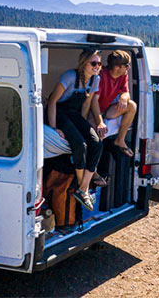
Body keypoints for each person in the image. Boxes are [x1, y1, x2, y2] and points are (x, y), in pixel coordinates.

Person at [47, 50, 107, 211]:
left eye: (99, 64)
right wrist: (54, 128)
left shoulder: (96, 79)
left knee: (96, 143)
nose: (97, 67)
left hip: (73, 114)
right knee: (80, 145)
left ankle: (83, 188)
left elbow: (86, 105)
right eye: (93, 63)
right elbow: (52, 101)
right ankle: (83, 189)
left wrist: (83, 125)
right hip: (59, 112)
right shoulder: (70, 77)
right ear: (84, 64)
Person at [94, 50, 137, 157]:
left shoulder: (123, 75)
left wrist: (123, 98)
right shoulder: (101, 75)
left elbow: (126, 92)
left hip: (106, 110)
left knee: (131, 106)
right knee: (96, 139)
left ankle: (120, 140)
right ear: (116, 67)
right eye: (126, 65)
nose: (128, 68)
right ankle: (93, 172)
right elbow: (93, 101)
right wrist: (100, 122)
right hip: (93, 111)